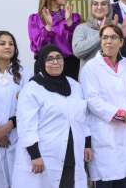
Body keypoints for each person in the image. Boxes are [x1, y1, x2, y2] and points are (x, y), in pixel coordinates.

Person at [12, 44, 91, 188]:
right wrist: (34, 155)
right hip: (44, 155)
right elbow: (26, 125)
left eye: (59, 57)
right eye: (50, 59)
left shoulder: (74, 86)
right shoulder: (32, 88)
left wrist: (87, 144)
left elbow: (83, 119)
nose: (55, 62)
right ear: (42, 62)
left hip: (73, 154)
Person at [80, 24, 126, 187]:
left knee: (125, 180)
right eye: (105, 37)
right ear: (100, 41)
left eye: (113, 37)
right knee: (106, 180)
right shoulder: (90, 68)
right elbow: (92, 101)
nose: (109, 41)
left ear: (121, 42)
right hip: (104, 132)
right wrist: (121, 114)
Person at [0, 30, 27, 188]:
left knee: (17, 180)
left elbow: (27, 107)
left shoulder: (24, 74)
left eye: (11, 44)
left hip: (14, 135)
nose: (8, 47)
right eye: (2, 43)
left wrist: (7, 128)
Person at [28, 0, 82, 79]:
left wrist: (69, 23)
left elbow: (76, 45)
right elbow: (37, 47)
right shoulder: (35, 19)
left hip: (69, 66)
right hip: (44, 65)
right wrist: (48, 27)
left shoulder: (73, 17)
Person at [72, 0, 113, 67]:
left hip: (112, 73)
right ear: (91, 7)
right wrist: (100, 34)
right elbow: (77, 52)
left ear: (109, 7)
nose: (99, 7)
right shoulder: (82, 28)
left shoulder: (117, 27)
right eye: (95, 4)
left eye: (103, 4)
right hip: (89, 74)